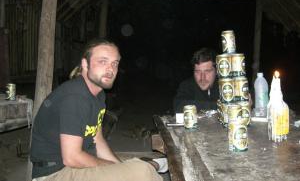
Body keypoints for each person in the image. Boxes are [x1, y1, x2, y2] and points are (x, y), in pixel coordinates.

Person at [30, 39, 164, 181]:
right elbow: (72, 158)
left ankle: (152, 165)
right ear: (85, 64)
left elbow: (97, 139)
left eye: (115, 63)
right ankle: (152, 165)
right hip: (55, 173)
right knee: (142, 171)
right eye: (103, 61)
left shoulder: (98, 95)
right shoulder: (75, 96)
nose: (110, 69)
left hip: (76, 167)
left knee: (135, 167)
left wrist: (120, 168)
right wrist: (116, 169)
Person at [173, 48, 219, 113]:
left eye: (207, 71)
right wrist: (219, 106)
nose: (202, 77)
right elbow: (179, 106)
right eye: (198, 71)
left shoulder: (226, 86)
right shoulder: (186, 85)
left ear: (217, 71)